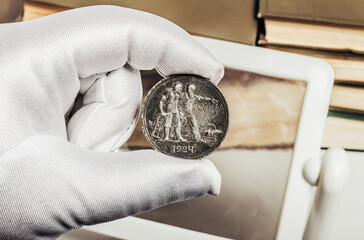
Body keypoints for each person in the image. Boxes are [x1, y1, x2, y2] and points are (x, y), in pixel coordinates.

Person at [0, 6, 224, 240]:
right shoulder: (173, 97)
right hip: (174, 117)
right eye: (181, 87)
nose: (182, 88)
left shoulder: (187, 96)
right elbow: (169, 107)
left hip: (181, 116)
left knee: (186, 128)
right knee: (173, 128)